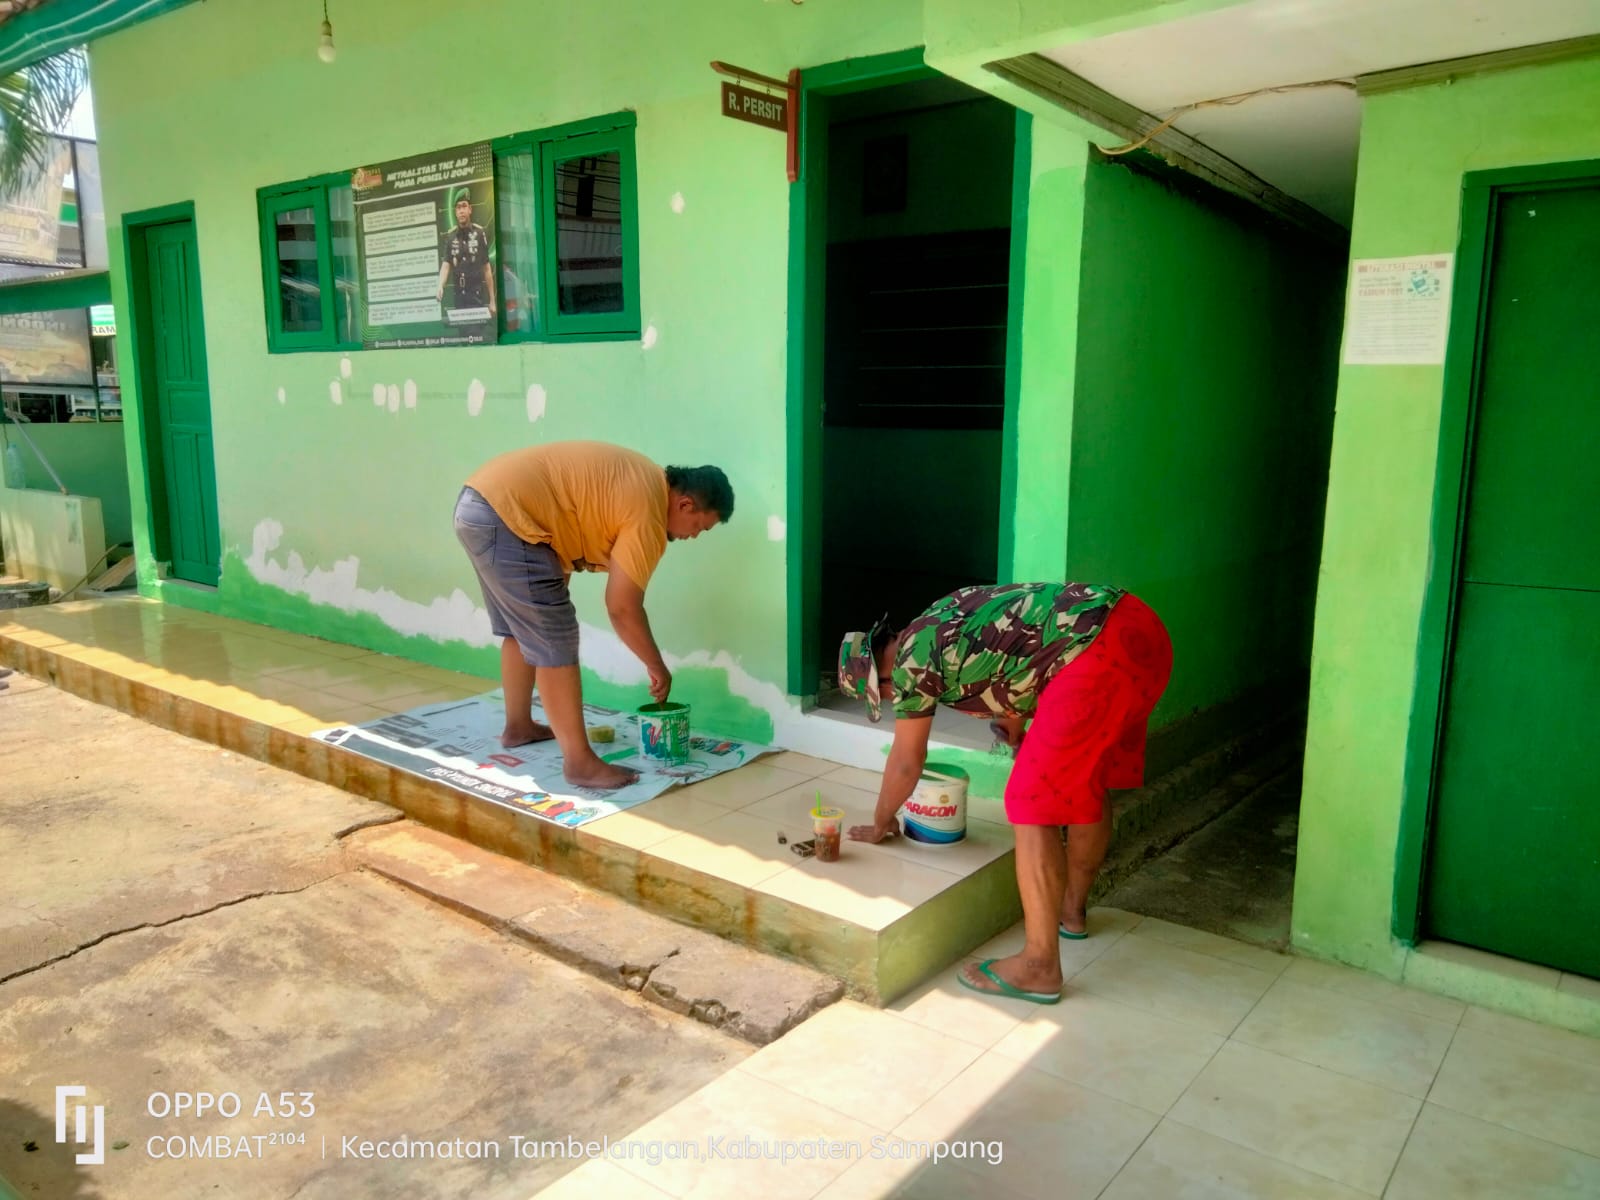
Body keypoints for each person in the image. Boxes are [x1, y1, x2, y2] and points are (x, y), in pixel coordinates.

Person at [837, 582, 1171, 1004]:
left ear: (881, 673)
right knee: (1088, 777)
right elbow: (1016, 655)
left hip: (1093, 655)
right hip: (1138, 632)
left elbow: (907, 762)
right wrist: (1016, 729)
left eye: (881, 693)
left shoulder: (909, 664)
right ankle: (1072, 912)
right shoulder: (939, 617)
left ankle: (1039, 965)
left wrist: (882, 820)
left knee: (1029, 801)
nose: (890, 698)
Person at [454, 441, 734, 790]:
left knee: (522, 630)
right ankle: (579, 764)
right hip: (508, 516)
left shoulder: (643, 477)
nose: (692, 536)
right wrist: (656, 666)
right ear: (685, 503)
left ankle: (519, 727)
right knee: (555, 638)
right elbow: (622, 606)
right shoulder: (648, 511)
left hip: (480, 504)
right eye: (699, 527)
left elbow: (572, 513)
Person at [437, 190, 495, 322]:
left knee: (477, 335)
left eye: (464, 206)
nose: (461, 211)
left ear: (470, 209)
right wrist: (440, 285)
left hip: (476, 296)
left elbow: (486, 269)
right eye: (458, 208)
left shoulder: (479, 234)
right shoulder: (451, 237)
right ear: (455, 212)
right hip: (459, 299)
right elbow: (446, 265)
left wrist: (492, 300)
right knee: (462, 337)